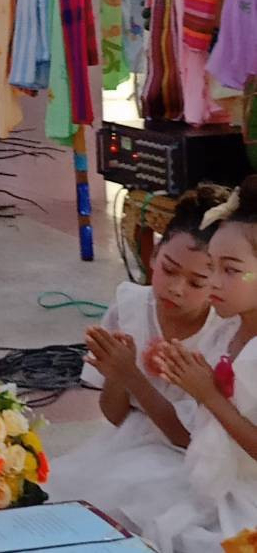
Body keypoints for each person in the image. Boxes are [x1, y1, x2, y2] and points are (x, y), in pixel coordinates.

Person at [47, 184, 232, 529]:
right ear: (154, 254)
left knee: (154, 515)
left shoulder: (221, 332)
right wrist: (116, 374)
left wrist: (131, 375)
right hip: (129, 441)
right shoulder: (130, 306)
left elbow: (186, 437)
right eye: (169, 269)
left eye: (196, 283)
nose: (176, 288)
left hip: (187, 459)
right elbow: (115, 415)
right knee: (69, 498)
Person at [146, 177, 257, 552]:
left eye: (231, 270)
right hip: (215, 486)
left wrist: (208, 394)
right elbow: (199, 432)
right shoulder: (222, 334)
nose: (214, 282)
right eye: (213, 267)